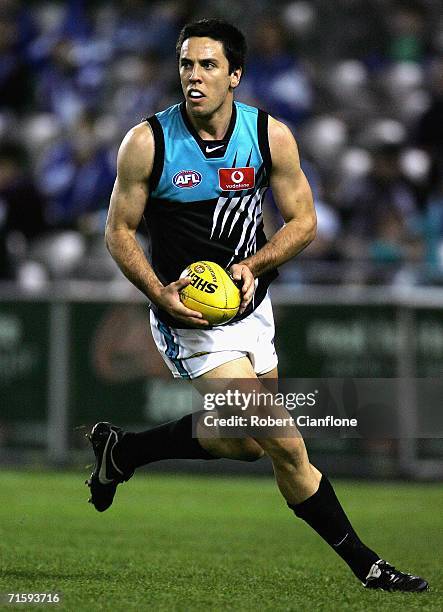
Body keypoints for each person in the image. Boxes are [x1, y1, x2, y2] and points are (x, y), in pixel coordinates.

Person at [86, 18, 427, 592]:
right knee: (287, 443)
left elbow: (305, 221)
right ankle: (368, 566)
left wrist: (254, 266)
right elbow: (119, 230)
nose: (194, 76)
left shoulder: (270, 136)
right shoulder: (149, 142)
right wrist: (157, 293)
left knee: (245, 442)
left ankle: (122, 451)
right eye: (187, 65)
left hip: (252, 305)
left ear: (235, 75)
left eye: (209, 65)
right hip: (188, 315)